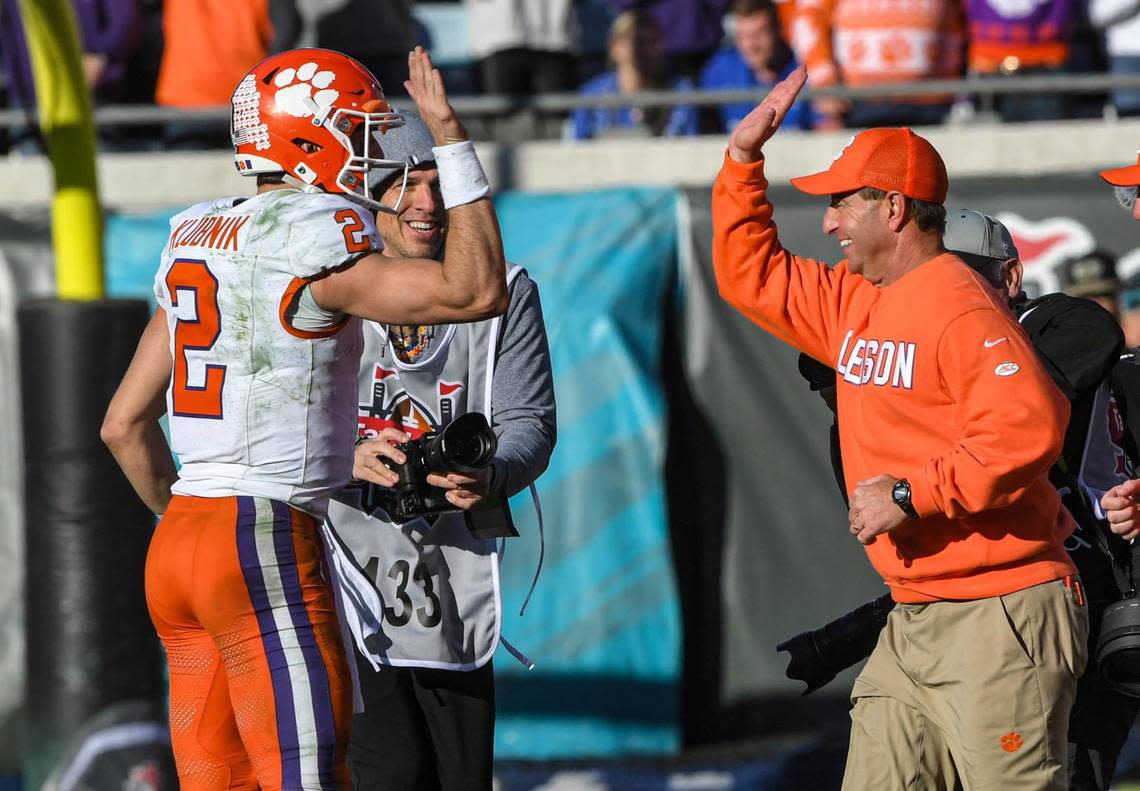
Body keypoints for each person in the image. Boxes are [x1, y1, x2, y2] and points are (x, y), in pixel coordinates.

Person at [100, 47, 509, 790]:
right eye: (357, 132)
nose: (372, 152)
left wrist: (191, 522)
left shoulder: (196, 233)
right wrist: (451, 141)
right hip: (261, 534)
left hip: (181, 542)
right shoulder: (314, 234)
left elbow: (123, 425)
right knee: (307, 775)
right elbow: (474, 291)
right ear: (309, 136)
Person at [712, 67, 1087, 788]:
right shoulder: (856, 299)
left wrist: (913, 494)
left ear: (892, 206)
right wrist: (741, 160)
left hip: (1001, 614)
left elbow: (1031, 427)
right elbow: (747, 273)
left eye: (840, 204)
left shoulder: (962, 307)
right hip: (917, 618)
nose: (827, 222)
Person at [793, 210, 1140, 791]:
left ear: (1008, 277)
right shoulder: (886, 400)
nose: (941, 290)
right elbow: (937, 546)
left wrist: (977, 398)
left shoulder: (1052, 326)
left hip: (1087, 602)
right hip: (980, 619)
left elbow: (1087, 335)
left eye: (960, 274)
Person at [318, 110, 556, 791]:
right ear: (367, 195)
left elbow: (529, 421)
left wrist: (492, 473)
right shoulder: (320, 287)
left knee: (458, 779)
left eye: (437, 183)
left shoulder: (506, 292)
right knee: (390, 770)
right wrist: (349, 452)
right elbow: (269, 427)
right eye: (406, 183)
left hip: (451, 577)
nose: (425, 202)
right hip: (342, 571)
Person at [790, 0, 963, 128]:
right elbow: (808, 18)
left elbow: (968, 13)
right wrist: (824, 80)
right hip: (861, 103)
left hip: (935, 101)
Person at [570, 9, 698, 140]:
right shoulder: (591, 95)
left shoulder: (679, 91)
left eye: (654, 42)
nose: (646, 50)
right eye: (638, 42)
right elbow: (577, 146)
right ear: (615, 47)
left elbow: (687, 144)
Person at [698, 0, 812, 133]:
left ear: (778, 29)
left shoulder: (805, 70)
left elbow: (828, 132)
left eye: (760, 34)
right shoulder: (721, 68)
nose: (751, 46)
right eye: (743, 36)